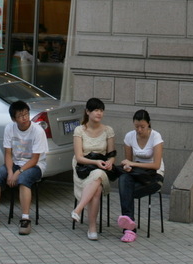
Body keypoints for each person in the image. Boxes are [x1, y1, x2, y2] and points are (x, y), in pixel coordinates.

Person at [0, 100, 47, 234]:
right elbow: (8, 153)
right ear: (13, 119)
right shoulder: (9, 128)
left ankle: (25, 218)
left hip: (35, 166)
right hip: (15, 163)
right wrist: (10, 172)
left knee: (23, 180)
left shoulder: (38, 131)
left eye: (26, 114)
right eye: (21, 116)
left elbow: (35, 159)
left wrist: (18, 173)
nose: (25, 118)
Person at [70, 97, 114, 241]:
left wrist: (109, 163)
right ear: (87, 112)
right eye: (96, 110)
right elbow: (79, 157)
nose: (99, 113)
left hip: (101, 168)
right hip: (83, 168)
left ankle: (78, 209)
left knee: (99, 174)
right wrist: (96, 162)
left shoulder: (108, 130)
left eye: (101, 110)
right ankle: (92, 227)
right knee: (97, 188)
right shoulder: (79, 130)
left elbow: (111, 155)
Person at [116, 109, 163, 243]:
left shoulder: (156, 137)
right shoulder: (129, 136)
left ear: (149, 124)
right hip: (137, 173)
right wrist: (128, 165)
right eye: (136, 126)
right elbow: (128, 161)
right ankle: (129, 227)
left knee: (126, 191)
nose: (139, 130)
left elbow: (156, 165)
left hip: (154, 176)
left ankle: (128, 225)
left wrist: (133, 164)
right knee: (124, 178)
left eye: (142, 126)